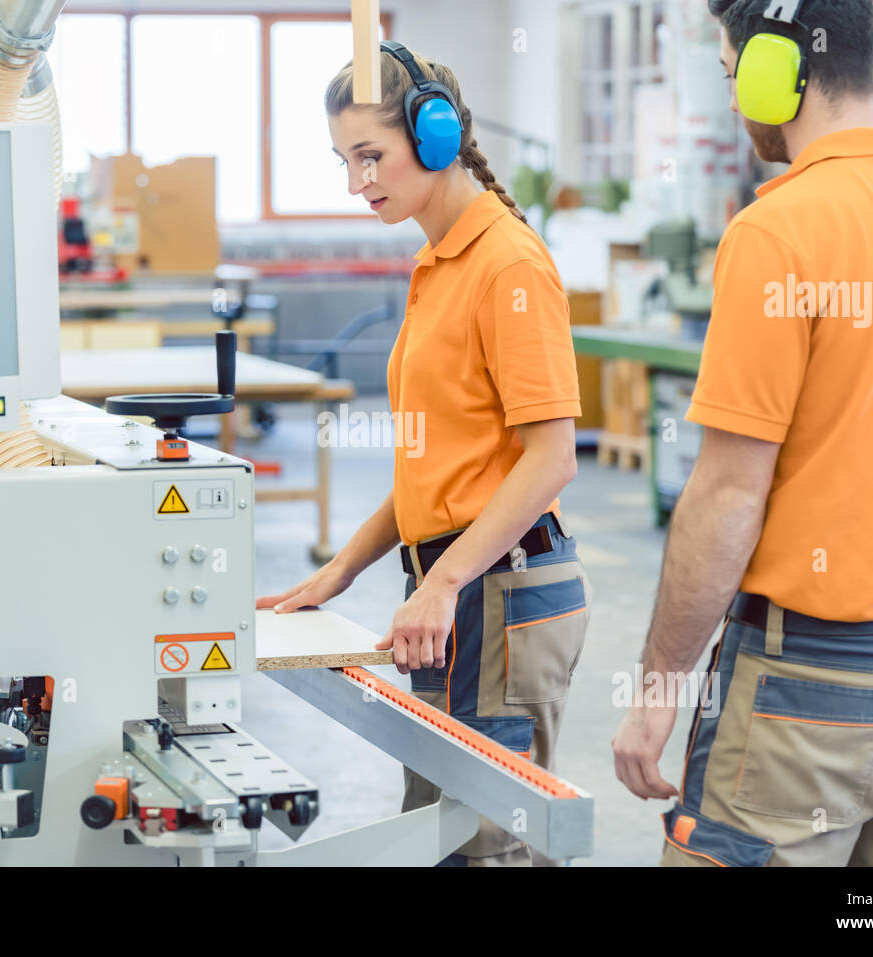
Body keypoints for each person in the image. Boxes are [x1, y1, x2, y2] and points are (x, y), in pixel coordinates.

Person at [612, 0, 873, 866]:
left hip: (807, 697)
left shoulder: (777, 231)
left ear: (771, 67)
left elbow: (727, 495)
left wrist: (657, 689)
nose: (733, 100)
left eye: (732, 75)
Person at [257, 40, 590, 866]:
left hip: (499, 588)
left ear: (435, 136)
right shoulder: (438, 263)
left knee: (486, 844)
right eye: (343, 161)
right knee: (441, 832)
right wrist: (341, 571)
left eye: (370, 156)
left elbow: (550, 458)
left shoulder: (507, 264)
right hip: (457, 586)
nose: (356, 181)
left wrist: (442, 581)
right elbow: (430, 466)